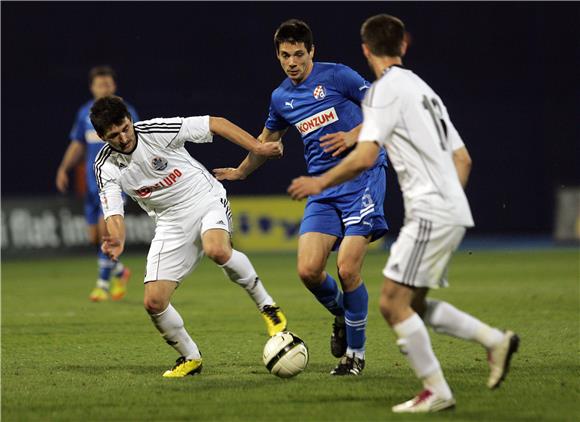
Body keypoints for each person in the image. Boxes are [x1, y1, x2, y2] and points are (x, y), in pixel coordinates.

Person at [288, 14, 519, 413]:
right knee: (413, 303)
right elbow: (463, 158)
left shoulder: (382, 92)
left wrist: (319, 183)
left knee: (392, 304)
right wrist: (450, 203)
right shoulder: (424, 90)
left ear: (365, 50)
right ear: (404, 46)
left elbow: (364, 155)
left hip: (430, 212)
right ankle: (494, 341)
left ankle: (437, 390)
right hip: (451, 210)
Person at [213, 19, 388, 376]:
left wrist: (355, 134)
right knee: (308, 271)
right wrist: (241, 171)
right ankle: (344, 315)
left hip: (362, 177)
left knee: (347, 267)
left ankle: (355, 354)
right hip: (322, 188)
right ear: (277, 57)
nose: (292, 62)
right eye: (284, 56)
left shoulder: (338, 76)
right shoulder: (281, 97)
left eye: (298, 54)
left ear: (311, 52)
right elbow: (265, 142)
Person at [90, 95, 287, 377]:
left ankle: (267, 305)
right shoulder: (105, 166)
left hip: (205, 198)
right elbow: (114, 211)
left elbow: (215, 124)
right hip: (170, 223)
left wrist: (258, 147)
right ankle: (190, 357)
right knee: (154, 302)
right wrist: (117, 239)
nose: (123, 137)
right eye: (113, 135)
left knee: (217, 249)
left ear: (129, 120)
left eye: (124, 128)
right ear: (101, 136)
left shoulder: (157, 131)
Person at [56, 66, 139, 302]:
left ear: (114, 86)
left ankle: (102, 285)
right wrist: (64, 168)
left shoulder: (126, 111)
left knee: (106, 231)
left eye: (108, 84)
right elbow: (77, 144)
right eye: (100, 84)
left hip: (113, 181)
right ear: (92, 88)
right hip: (92, 184)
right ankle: (121, 272)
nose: (104, 88)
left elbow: (136, 139)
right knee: (94, 237)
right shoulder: (85, 113)